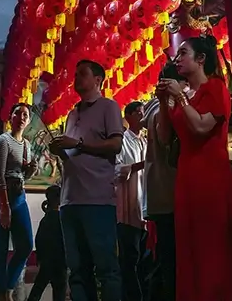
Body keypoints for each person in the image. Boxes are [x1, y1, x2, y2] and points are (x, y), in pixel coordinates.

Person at [156, 37, 232, 301]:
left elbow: (202, 127)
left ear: (201, 58)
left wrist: (179, 96)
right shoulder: (184, 96)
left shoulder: (215, 88)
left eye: (183, 53)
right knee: (192, 244)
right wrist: (162, 102)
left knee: (214, 242)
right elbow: (164, 137)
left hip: (210, 173)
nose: (177, 59)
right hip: (187, 175)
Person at [49, 60, 124, 301]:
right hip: (70, 200)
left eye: (82, 74)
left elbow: (115, 144)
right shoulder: (72, 114)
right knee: (77, 271)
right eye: (75, 74)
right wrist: (61, 150)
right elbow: (72, 155)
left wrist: (77, 144)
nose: (76, 78)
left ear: (98, 80)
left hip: (97, 200)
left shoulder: (108, 107)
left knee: (106, 269)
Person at [140, 63, 191, 301]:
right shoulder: (167, 105)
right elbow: (165, 138)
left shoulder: (152, 109)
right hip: (171, 192)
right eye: (185, 83)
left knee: (166, 257)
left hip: (160, 193)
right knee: (174, 260)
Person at [0, 103, 37, 301]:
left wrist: (31, 169)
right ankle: (1, 295)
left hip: (18, 197)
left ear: (28, 121)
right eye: (18, 113)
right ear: (11, 117)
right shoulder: (3, 141)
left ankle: (8, 286)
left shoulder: (27, 145)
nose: (22, 117)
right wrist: (4, 207)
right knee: (0, 250)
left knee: (25, 246)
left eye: (25, 115)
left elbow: (22, 176)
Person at [115, 101, 147, 301]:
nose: (143, 117)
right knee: (129, 260)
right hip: (127, 206)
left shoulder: (145, 142)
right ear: (129, 116)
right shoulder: (121, 141)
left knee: (143, 259)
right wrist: (140, 165)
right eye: (140, 113)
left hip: (144, 205)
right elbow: (116, 170)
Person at [28, 185, 68, 301]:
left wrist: (39, 258)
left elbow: (39, 239)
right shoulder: (63, 219)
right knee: (59, 290)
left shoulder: (45, 219)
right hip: (61, 262)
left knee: (38, 288)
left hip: (46, 262)